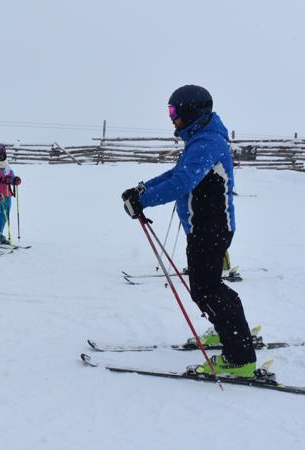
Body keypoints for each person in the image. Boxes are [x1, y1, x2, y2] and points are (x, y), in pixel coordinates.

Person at [121, 85, 257, 377]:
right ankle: (226, 332)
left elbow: (182, 183)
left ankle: (240, 357)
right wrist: (143, 189)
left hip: (211, 229)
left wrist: (142, 200)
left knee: (207, 289)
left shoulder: (207, 143)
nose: (171, 118)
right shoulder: (201, 140)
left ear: (192, 111)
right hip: (204, 228)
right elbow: (176, 174)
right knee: (205, 287)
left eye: (174, 112)